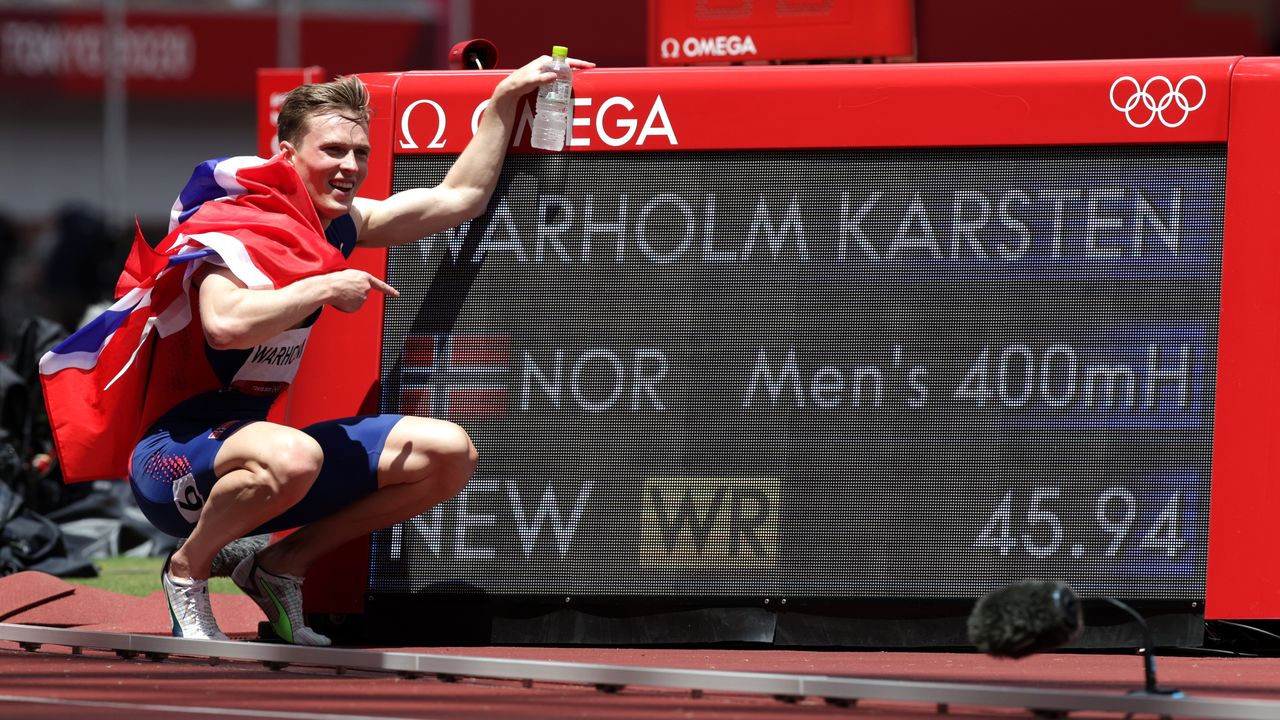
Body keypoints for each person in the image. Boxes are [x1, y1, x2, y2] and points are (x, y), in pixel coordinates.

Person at [125, 54, 593, 645]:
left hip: (267, 460)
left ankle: (278, 566)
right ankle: (186, 570)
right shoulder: (237, 225)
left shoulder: (340, 223)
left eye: (360, 153)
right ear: (287, 156)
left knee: (448, 454)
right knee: (293, 455)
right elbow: (224, 325)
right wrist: (323, 287)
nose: (350, 166)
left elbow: (459, 198)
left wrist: (503, 98)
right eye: (333, 151)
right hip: (172, 463)